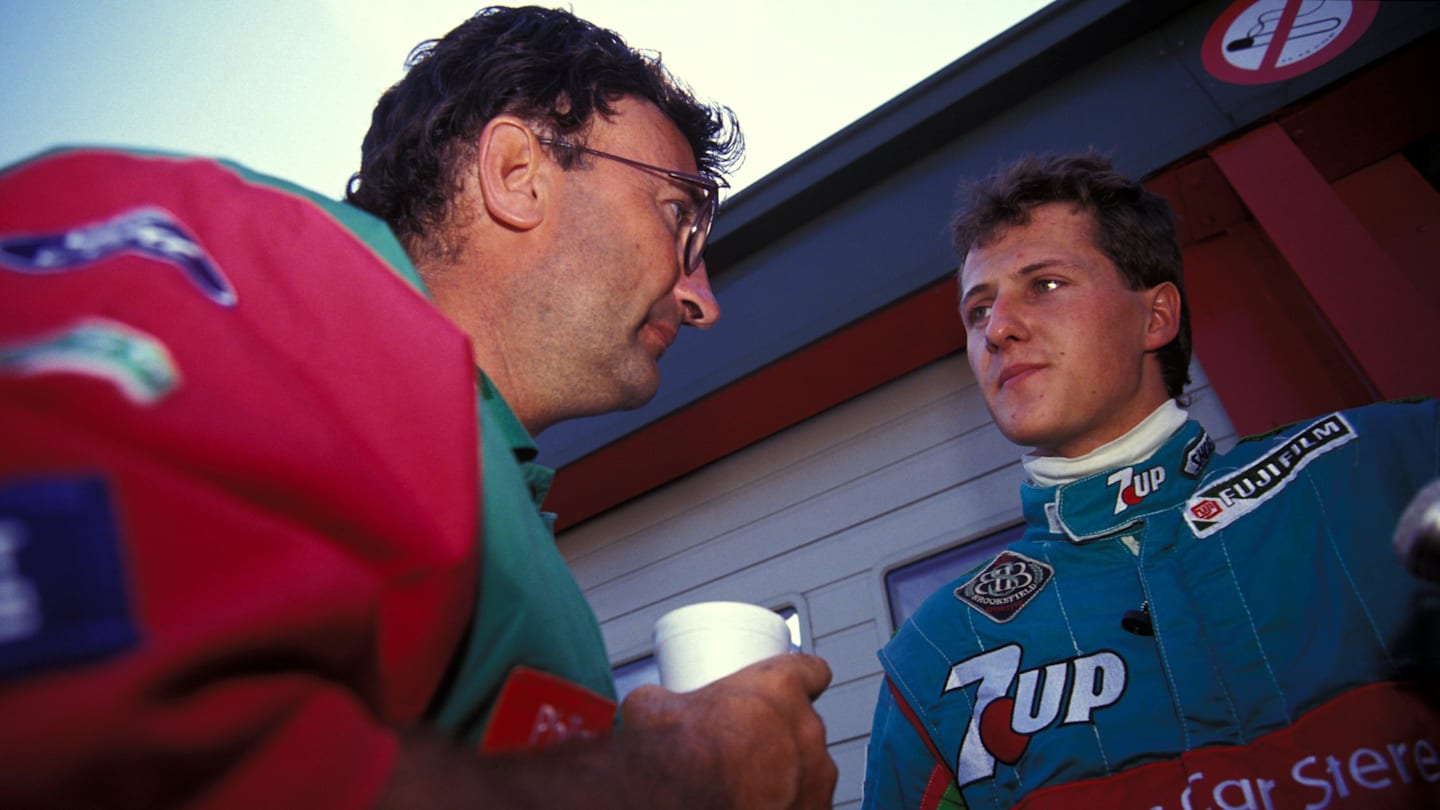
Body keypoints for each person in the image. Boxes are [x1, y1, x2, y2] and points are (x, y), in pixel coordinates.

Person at [0, 6, 835, 809]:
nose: (702, 299)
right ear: (517, 174)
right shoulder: (243, 263)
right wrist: (687, 778)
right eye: (679, 214)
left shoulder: (500, 510)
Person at [861, 152, 1440, 809]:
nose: (997, 329)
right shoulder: (935, 653)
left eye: (1045, 284)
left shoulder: (1384, 467)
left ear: (1156, 316)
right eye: (977, 312)